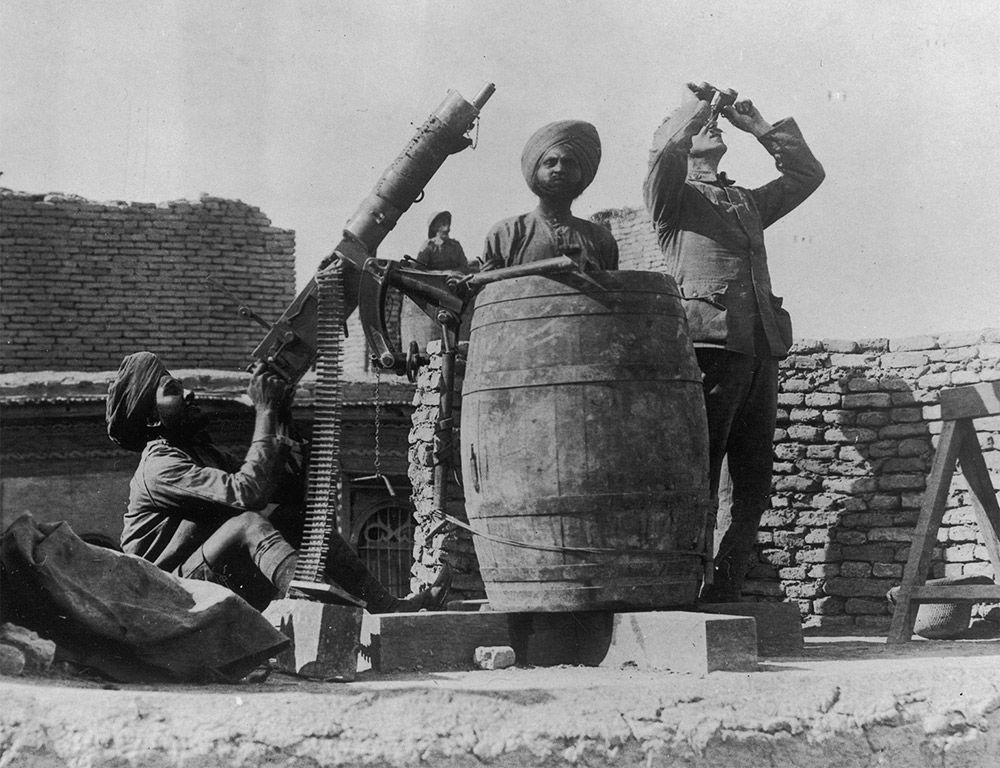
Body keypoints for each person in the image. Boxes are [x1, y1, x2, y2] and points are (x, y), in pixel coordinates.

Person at [643, 82, 825, 602]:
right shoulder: (672, 200)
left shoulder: (745, 200)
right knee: (700, 470)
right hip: (710, 348)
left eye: (714, 125)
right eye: (702, 129)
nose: (713, 128)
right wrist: (701, 107)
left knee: (752, 481)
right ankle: (681, 584)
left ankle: (724, 589)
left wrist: (762, 129)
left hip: (760, 346)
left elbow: (807, 175)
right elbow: (661, 152)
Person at [106, 351, 450, 612]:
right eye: (173, 390)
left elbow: (283, 488)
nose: (189, 394)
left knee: (298, 518)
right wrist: (265, 412)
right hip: (161, 595)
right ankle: (321, 610)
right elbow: (247, 494)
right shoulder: (160, 465)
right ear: (151, 418)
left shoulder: (199, 453)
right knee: (248, 525)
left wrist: (282, 417)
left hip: (198, 581)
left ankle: (387, 608)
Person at [480, 120, 619, 271]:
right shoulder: (506, 234)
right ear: (535, 171)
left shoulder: (600, 239)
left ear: (581, 173)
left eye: (569, 162)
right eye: (550, 162)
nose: (559, 169)